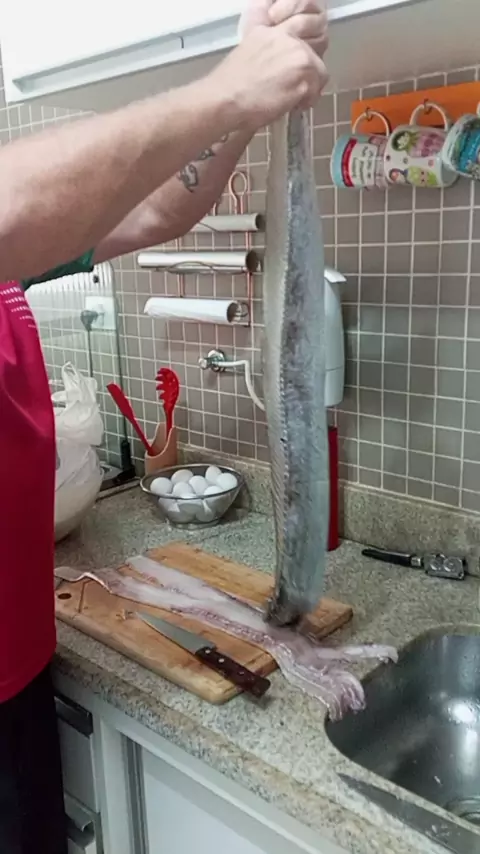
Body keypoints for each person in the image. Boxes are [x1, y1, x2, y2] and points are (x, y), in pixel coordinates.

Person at [0, 0, 328, 850]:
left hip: (18, 667)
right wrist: (229, 89)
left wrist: (249, 107)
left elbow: (156, 216)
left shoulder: (12, 271)